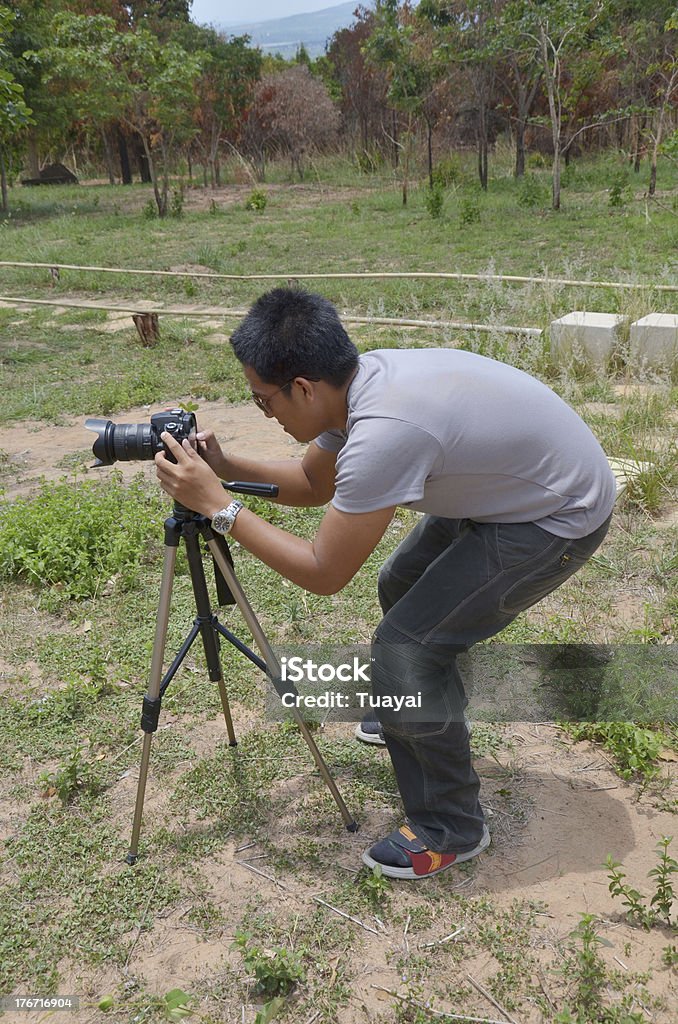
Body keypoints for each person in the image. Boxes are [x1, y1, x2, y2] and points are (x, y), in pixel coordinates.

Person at [154, 287, 617, 881]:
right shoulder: (356, 386)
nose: (265, 412)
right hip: (510, 488)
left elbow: (324, 572)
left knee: (405, 649)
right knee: (402, 584)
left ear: (303, 387)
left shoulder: (384, 430)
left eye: (263, 401)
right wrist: (227, 471)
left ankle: (452, 827)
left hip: (557, 515)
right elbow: (311, 482)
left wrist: (220, 509)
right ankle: (422, 704)